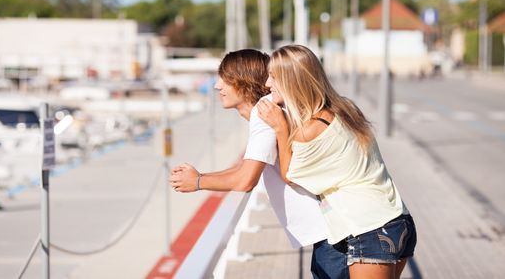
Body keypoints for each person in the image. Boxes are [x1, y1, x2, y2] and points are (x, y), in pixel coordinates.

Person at [170, 49, 349, 278]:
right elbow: (247, 166)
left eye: (224, 79)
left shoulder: (264, 114)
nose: (217, 86)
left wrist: (198, 181)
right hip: (333, 229)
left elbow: (246, 180)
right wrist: (201, 175)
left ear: (243, 82)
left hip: (334, 233)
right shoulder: (269, 110)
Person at [256, 45, 417, 279]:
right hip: (398, 220)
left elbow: (290, 174)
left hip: (369, 229)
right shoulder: (344, 109)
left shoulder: (311, 129)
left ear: (292, 81)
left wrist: (280, 127)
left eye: (273, 77)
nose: (267, 84)